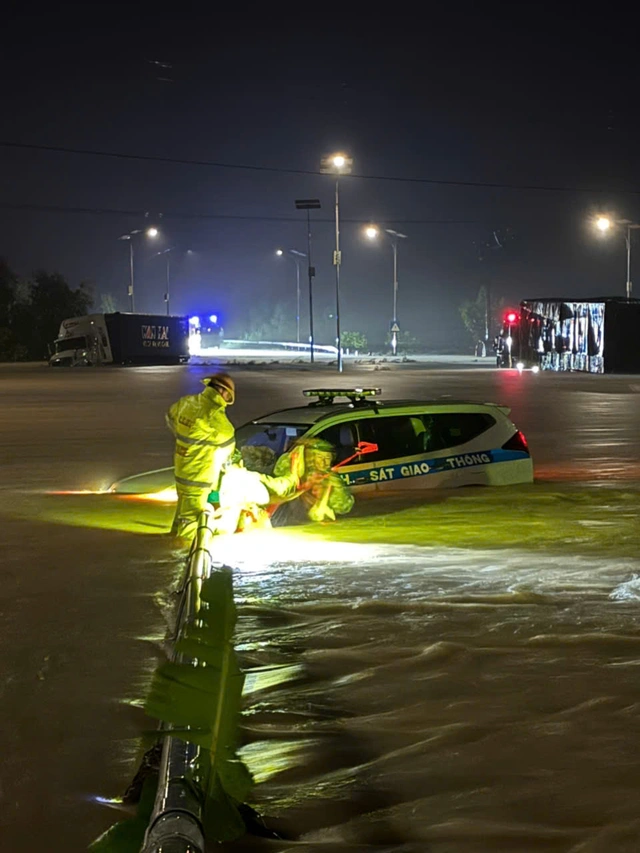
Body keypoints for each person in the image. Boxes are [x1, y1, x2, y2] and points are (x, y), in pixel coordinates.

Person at [166, 373, 236, 540]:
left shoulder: (187, 402)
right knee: (191, 524)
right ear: (222, 391)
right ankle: (179, 556)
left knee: (182, 514)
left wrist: (188, 441)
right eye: (228, 395)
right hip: (198, 478)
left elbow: (170, 418)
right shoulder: (215, 415)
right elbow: (228, 447)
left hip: (181, 471)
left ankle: (171, 538)